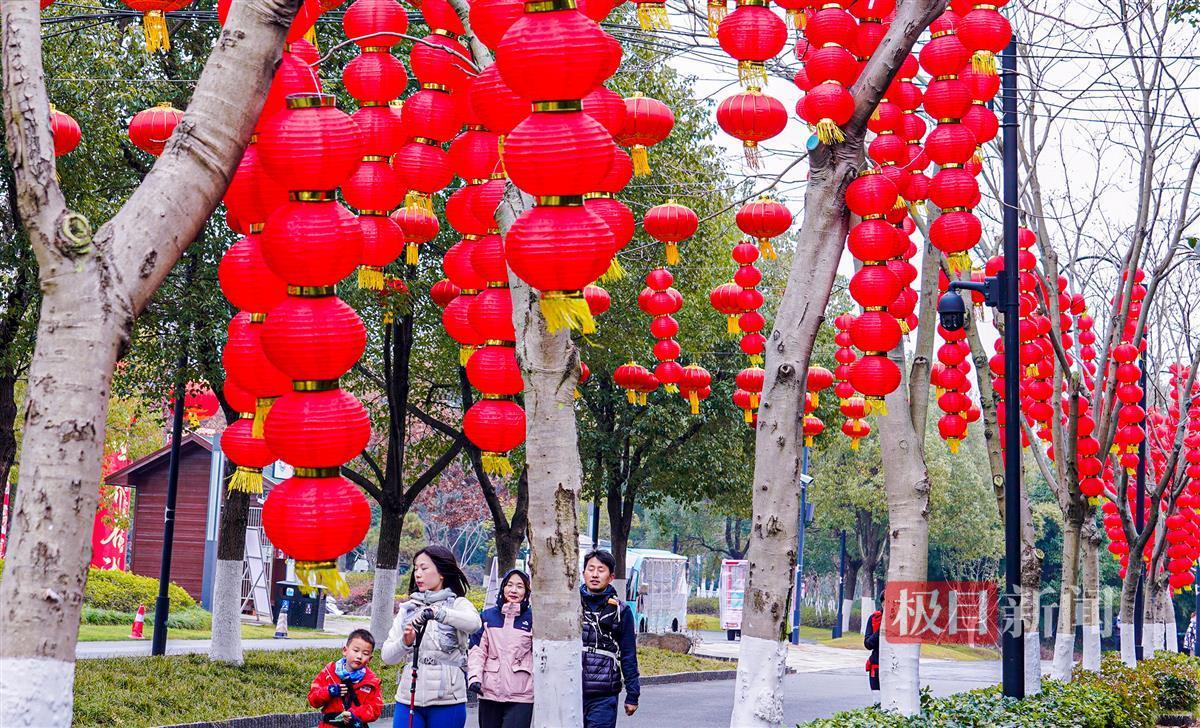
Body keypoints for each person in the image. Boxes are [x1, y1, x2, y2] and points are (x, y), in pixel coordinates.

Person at [382, 545, 482, 728]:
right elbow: (387, 656)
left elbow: (475, 624)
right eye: (415, 568)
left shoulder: (458, 603)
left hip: (448, 700)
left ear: (442, 572)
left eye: (424, 567)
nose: (417, 573)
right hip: (408, 697)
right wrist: (405, 642)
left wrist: (440, 614)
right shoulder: (408, 609)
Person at [580, 549, 640, 728]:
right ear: (583, 573)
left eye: (601, 570)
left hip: (604, 695)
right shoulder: (569, 605)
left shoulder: (621, 612)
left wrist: (632, 694)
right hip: (569, 689)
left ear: (611, 577)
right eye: (591, 569)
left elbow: (628, 655)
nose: (595, 574)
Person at [467, 569, 534, 728]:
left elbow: (540, 655)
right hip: (489, 692)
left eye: (519, 586)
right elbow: (477, 651)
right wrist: (474, 678)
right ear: (503, 588)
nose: (513, 590)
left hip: (521, 695)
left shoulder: (533, 619)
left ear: (526, 592)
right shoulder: (487, 617)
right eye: (509, 585)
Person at [308, 629, 385, 727]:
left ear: (370, 659)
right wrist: (328, 691)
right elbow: (313, 700)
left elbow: (375, 709)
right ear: (345, 650)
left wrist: (355, 714)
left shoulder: (372, 682)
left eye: (365, 653)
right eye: (356, 650)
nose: (359, 656)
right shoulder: (329, 672)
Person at [863, 608, 883, 691]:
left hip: (898, 667)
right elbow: (868, 644)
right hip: (877, 666)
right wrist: (881, 630)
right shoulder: (875, 618)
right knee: (877, 700)